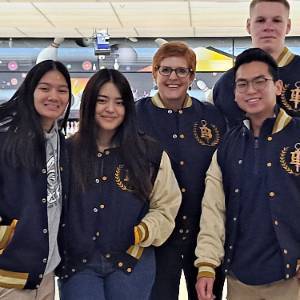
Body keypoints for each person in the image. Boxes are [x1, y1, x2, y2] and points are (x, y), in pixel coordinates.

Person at [57, 69, 181, 300]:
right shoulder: (66, 152)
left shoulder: (149, 152)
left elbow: (166, 206)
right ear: (88, 103)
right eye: (102, 101)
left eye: (119, 102)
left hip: (131, 262)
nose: (110, 109)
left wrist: (140, 232)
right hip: (78, 265)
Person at [195, 48, 300, 300]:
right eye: (242, 84)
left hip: (291, 280)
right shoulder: (226, 146)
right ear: (234, 93)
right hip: (240, 279)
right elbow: (213, 209)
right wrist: (207, 264)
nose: (250, 90)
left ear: (277, 86)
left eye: (259, 81)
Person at [136, 41, 226, 300]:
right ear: (154, 74)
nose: (173, 77)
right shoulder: (135, 116)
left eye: (181, 71)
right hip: (156, 238)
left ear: (192, 76)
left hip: (205, 237)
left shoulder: (213, 117)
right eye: (165, 70)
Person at [0, 60, 72, 299]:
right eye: (45, 88)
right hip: (9, 274)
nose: (54, 96)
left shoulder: (60, 142)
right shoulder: (6, 138)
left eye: (62, 90)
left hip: (45, 273)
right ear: (30, 90)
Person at [213, 0, 300, 128]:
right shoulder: (226, 84)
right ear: (248, 25)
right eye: (260, 20)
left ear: (288, 26)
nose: (268, 27)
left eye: (276, 20)